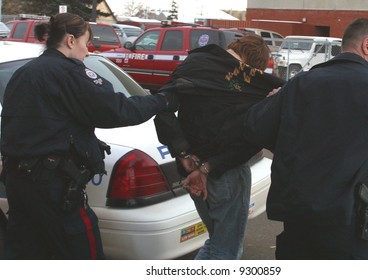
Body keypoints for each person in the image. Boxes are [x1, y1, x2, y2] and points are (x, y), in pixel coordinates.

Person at [0, 13, 176, 260]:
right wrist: (163, 99)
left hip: (18, 184)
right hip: (53, 188)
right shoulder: (69, 73)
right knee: (83, 254)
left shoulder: (24, 73)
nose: (87, 50)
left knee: (26, 253)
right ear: (71, 41)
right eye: (86, 42)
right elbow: (119, 110)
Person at [244, 18, 368, 260]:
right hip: (350, 222)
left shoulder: (299, 84)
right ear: (367, 46)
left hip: (298, 217)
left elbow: (256, 127)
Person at [154, 34, 284, 259]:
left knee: (217, 244)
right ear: (254, 65)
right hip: (226, 174)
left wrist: (183, 153)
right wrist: (206, 168)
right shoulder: (249, 84)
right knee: (227, 251)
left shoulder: (194, 64)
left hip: (189, 169)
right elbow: (249, 139)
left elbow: (163, 109)